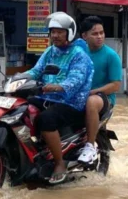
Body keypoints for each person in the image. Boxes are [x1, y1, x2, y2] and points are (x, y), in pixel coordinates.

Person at [22, 11, 93, 184]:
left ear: (69, 32)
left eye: (60, 32)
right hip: (49, 97)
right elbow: (36, 71)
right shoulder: (50, 51)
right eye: (53, 31)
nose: (55, 35)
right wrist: (19, 78)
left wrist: (59, 86)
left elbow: (76, 80)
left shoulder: (79, 54)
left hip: (72, 102)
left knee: (46, 119)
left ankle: (59, 162)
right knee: (22, 107)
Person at [72, 16, 122, 165]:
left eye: (102, 33)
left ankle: (90, 146)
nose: (100, 37)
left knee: (91, 102)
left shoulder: (111, 56)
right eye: (95, 34)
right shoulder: (78, 52)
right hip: (79, 96)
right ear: (84, 36)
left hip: (103, 98)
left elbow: (115, 85)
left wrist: (93, 92)